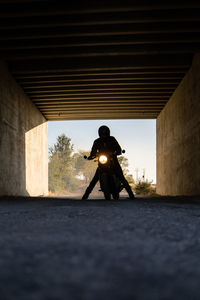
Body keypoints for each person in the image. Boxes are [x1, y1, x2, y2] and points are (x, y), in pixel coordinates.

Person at [82, 125, 135, 200]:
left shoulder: (112, 139)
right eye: (102, 133)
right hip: (102, 162)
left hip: (113, 161)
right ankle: (85, 196)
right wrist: (90, 157)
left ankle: (131, 195)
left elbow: (118, 149)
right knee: (95, 179)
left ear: (108, 133)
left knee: (121, 176)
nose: (104, 135)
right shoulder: (97, 141)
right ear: (99, 133)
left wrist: (117, 152)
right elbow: (93, 152)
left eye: (105, 133)